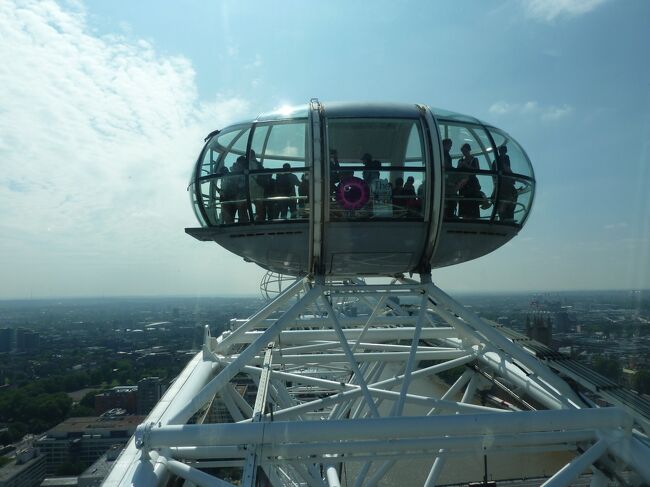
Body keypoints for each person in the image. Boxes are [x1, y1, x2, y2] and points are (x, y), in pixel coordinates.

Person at [456, 143, 482, 219]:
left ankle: (473, 219)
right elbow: (457, 173)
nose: (464, 152)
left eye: (465, 151)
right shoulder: (460, 160)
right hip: (463, 185)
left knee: (472, 203)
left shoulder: (474, 159)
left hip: (472, 184)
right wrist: (459, 166)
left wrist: (466, 166)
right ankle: (465, 218)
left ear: (469, 150)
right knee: (464, 203)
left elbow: (477, 170)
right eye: (463, 151)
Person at [495, 145, 517, 222]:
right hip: (505, 183)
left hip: (499, 184)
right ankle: (508, 217)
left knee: (500, 199)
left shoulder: (495, 160)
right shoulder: (505, 158)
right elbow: (506, 168)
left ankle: (502, 217)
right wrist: (513, 177)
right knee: (513, 194)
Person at [442, 138, 457, 218]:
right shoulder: (444, 154)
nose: (450, 148)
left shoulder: (443, 153)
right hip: (446, 180)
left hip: (446, 179)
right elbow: (445, 165)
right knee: (449, 198)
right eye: (449, 146)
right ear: (445, 145)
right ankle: (448, 215)